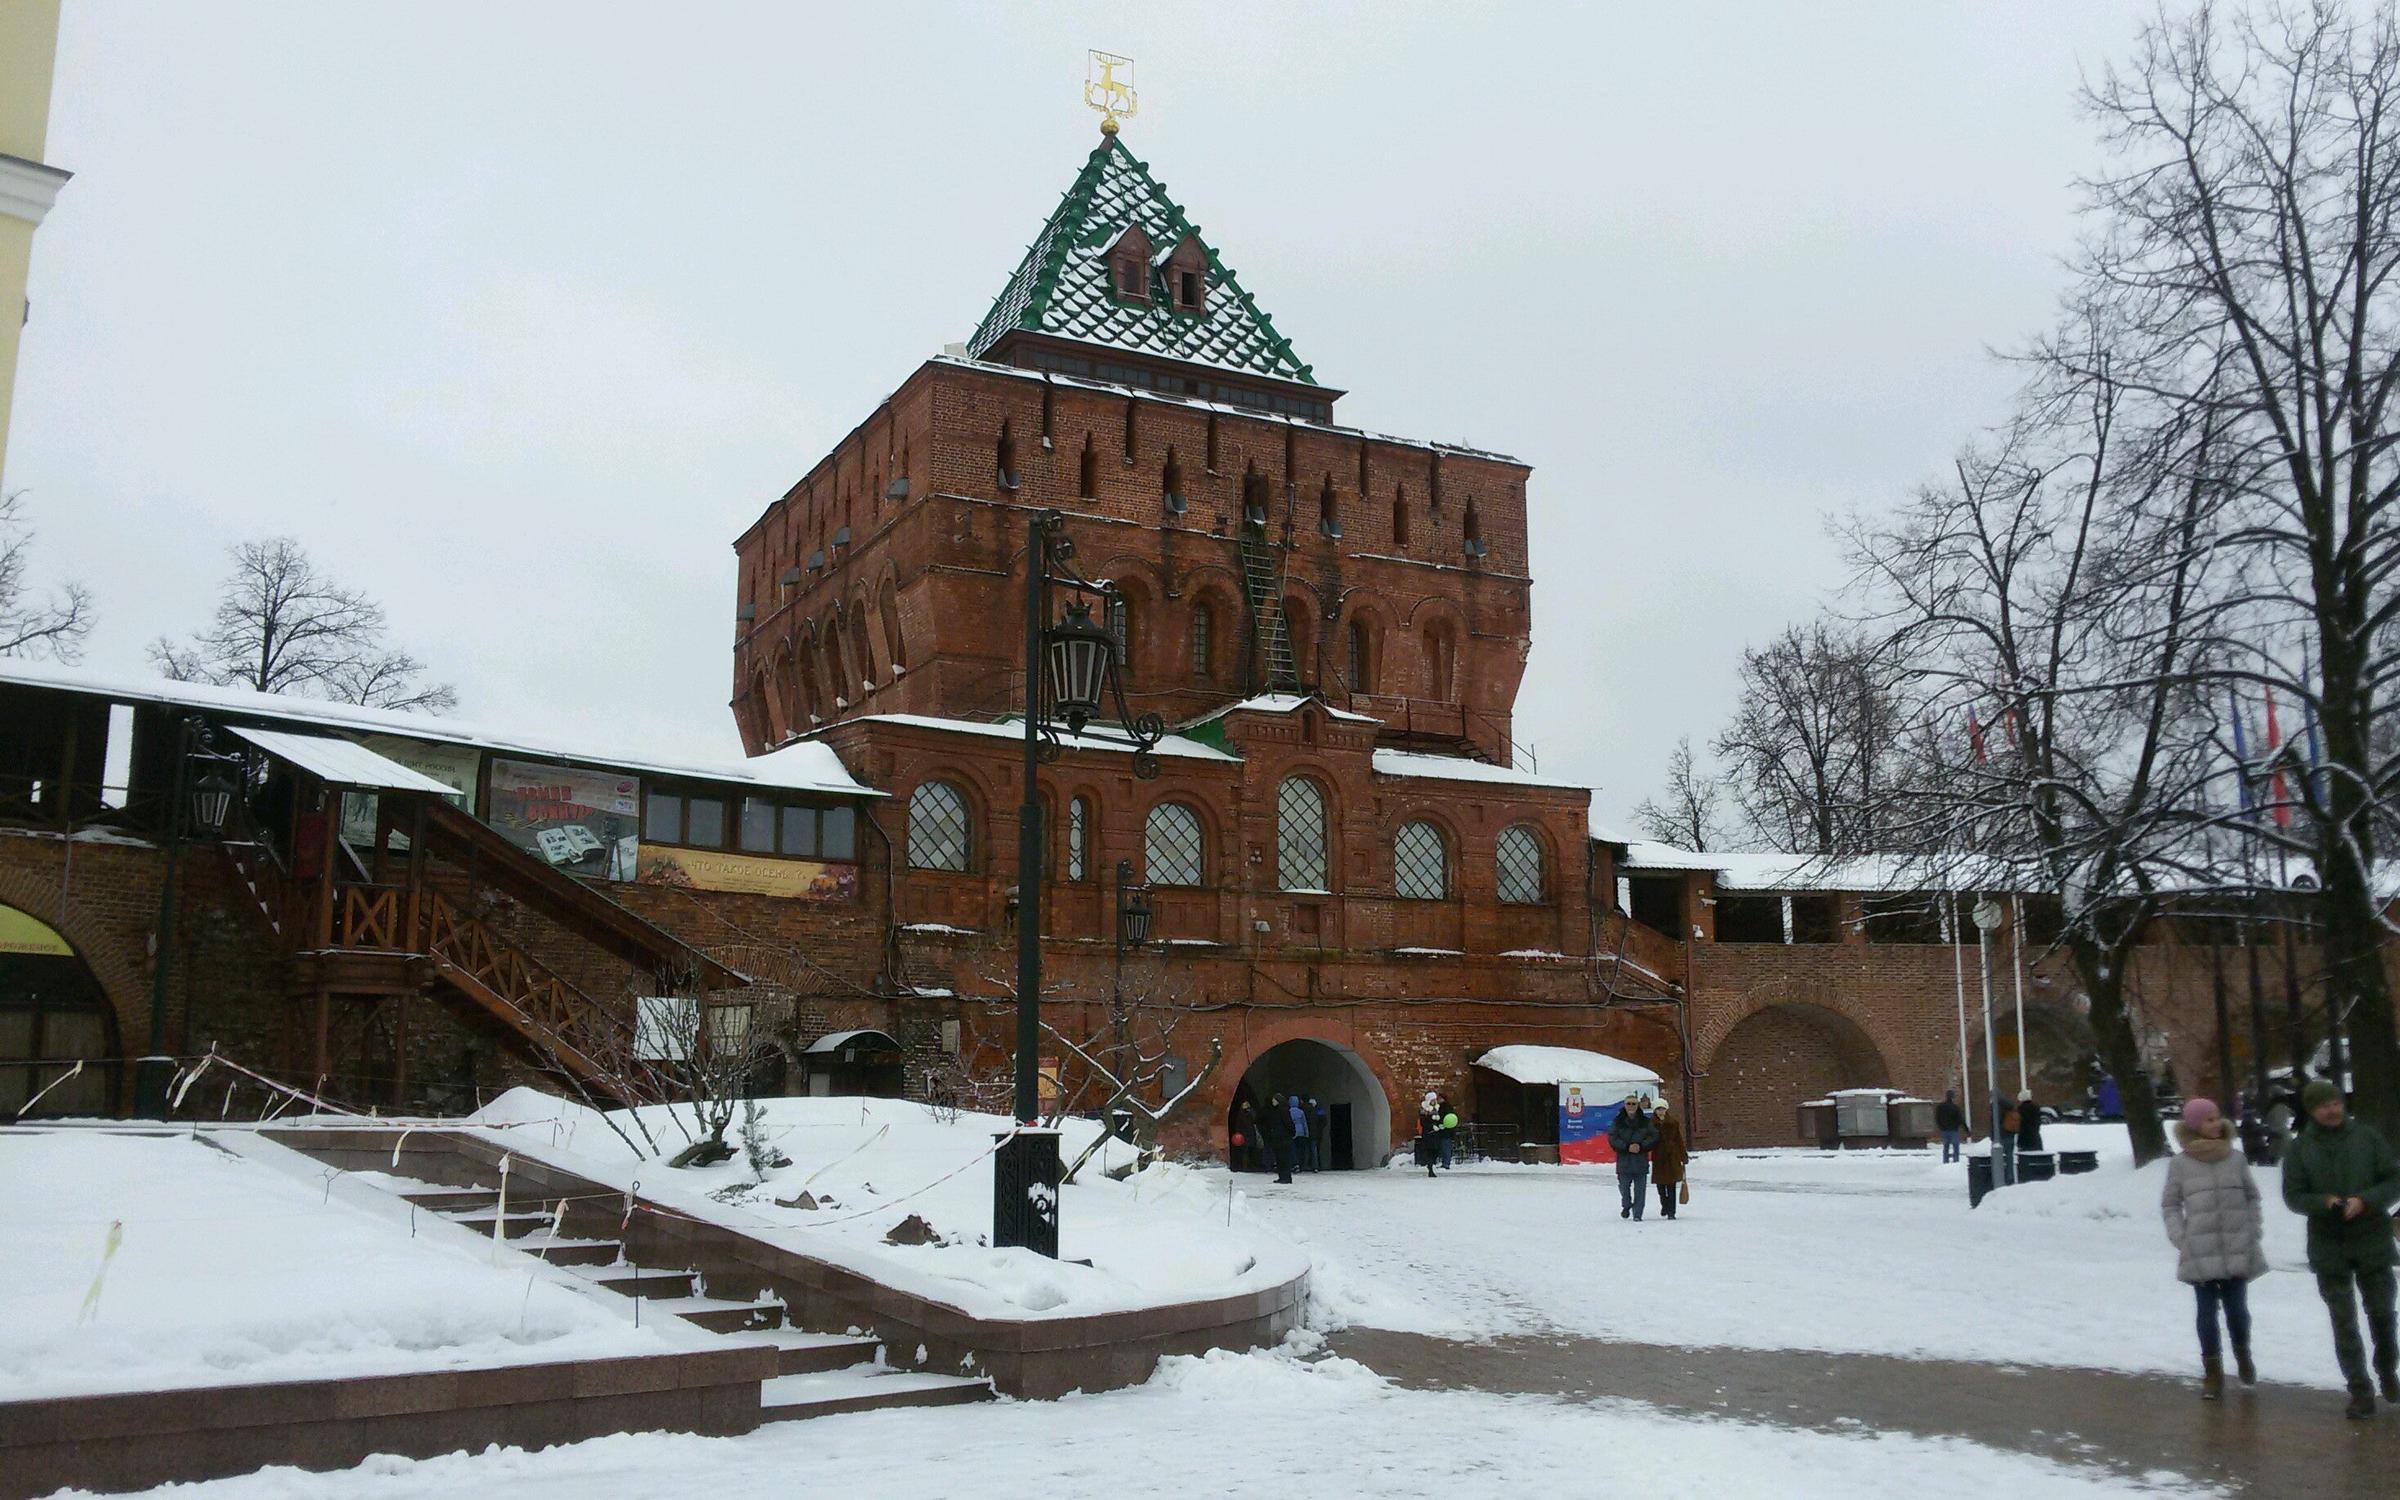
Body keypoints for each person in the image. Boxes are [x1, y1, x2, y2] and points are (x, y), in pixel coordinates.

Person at [2280, 1079, 2400, 1419]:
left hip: (2372, 1239)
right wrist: (2325, 1202)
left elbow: (2394, 1179)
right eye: (2322, 1105)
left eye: (2335, 1103)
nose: (2331, 1110)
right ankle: (2359, 1390)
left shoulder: (2368, 1138)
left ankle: (2387, 1369)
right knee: (2343, 1321)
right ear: (2311, 1110)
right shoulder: (2300, 1149)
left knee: (2383, 1314)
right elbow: (2293, 1196)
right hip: (2328, 1244)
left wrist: (2366, 1201)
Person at [2161, 1097, 2267, 1400]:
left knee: (2237, 1311)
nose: (2216, 1123)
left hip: (2237, 1245)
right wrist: (2181, 1237)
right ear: (2194, 1125)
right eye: (2208, 1119)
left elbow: (2252, 1197)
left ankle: (2243, 1354)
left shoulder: (2236, 1159)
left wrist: (2253, 1230)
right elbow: (2170, 1204)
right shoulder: (2180, 1164)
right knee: (2206, 1313)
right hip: (2200, 1249)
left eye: (2217, 1117)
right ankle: (2212, 1372)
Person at [1609, 1094, 1658, 1221]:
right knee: (1624, 1188)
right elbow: (1613, 1138)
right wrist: (1626, 1147)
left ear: (1638, 1105)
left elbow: (1654, 1136)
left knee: (1640, 1191)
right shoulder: (1618, 1121)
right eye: (1628, 1104)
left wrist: (1641, 1146)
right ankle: (1626, 1205)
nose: (1631, 1106)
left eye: (1634, 1104)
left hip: (1640, 1161)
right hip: (1624, 1161)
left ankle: (1637, 1214)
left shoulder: (1646, 1122)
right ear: (1624, 1106)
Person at [1651, 1097, 1687, 1220]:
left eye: (1663, 1109)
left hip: (1672, 1157)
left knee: (1671, 1186)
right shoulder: (1650, 1124)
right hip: (1658, 1158)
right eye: (1658, 1109)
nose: (1661, 1111)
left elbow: (1679, 1140)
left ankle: (1671, 1212)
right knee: (1661, 1186)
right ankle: (1664, 1204)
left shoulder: (1673, 1123)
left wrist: (1683, 1156)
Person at [1259, 1092, 1295, 1185]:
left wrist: (1290, 1133)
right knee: (1279, 1158)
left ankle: (1286, 1177)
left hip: (1283, 1138)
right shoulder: (1276, 1110)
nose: (1273, 1102)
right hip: (1278, 1138)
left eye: (1274, 1100)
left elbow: (1289, 1124)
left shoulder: (1283, 1110)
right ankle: (1282, 1177)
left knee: (1284, 1159)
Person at [1934, 1090, 1966, 1164]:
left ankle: (1945, 1161)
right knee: (1955, 1146)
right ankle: (1956, 1161)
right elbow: (1960, 1119)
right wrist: (1966, 1130)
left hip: (1944, 1130)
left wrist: (1940, 1126)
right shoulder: (1955, 1107)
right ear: (1953, 1097)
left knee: (1946, 1146)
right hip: (1954, 1130)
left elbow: (1937, 1118)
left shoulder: (1940, 1107)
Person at [1287, 1092, 1314, 1173]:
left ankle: (1295, 1164)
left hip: (1293, 1132)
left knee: (1293, 1149)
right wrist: (1306, 1133)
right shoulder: (1301, 1112)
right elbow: (1304, 1123)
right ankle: (1301, 1164)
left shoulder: (1289, 1111)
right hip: (1301, 1132)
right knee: (1301, 1150)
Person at [1232, 1099, 1260, 1173]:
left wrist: (1250, 1112)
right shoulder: (1240, 1114)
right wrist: (1238, 1133)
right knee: (1245, 1151)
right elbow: (1238, 1124)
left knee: (1251, 1150)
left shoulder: (1251, 1112)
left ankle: (1251, 1164)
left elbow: (1255, 1119)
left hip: (1250, 1133)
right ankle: (1245, 1166)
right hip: (1243, 1134)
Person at [2015, 1088, 2045, 1153]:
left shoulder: (2020, 1108)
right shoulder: (2036, 1107)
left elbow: (2020, 1122)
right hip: (2035, 1136)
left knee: (2025, 1156)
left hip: (2024, 1137)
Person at [1437, 1097, 1459, 1170]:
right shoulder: (1447, 1107)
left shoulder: (1444, 1107)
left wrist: (1441, 1124)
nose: (1438, 1100)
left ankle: (1446, 1163)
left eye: (1439, 1098)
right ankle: (1445, 1162)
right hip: (1446, 1130)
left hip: (1445, 1131)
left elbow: (1443, 1118)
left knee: (1445, 1146)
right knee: (1445, 1146)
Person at [1310, 1097, 1330, 1170]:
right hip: (1318, 1133)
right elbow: (1324, 1122)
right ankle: (1317, 1165)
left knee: (1313, 1149)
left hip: (1313, 1133)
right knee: (1316, 1149)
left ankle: (1315, 1165)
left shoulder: (1312, 1112)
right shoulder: (1320, 1111)